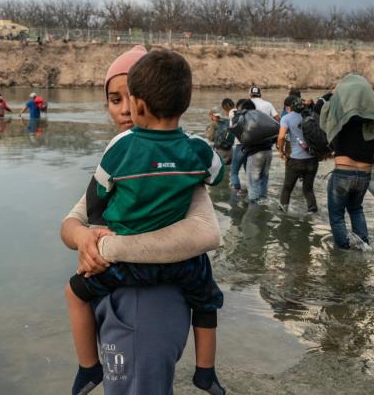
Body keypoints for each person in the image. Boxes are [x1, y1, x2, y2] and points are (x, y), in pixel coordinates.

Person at [63, 49, 226, 395]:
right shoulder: (192, 151)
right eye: (113, 98)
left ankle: (87, 368)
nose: (123, 109)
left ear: (140, 104)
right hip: (162, 282)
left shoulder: (120, 154)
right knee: (208, 300)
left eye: (128, 97)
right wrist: (82, 237)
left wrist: (105, 242)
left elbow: (206, 231)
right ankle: (206, 372)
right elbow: (72, 221)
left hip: (141, 303)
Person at [320, 74, 374, 249]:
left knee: (336, 216)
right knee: (356, 209)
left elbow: (322, 121)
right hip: (364, 176)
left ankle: (343, 252)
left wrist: (332, 96)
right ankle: (363, 247)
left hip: (343, 173)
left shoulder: (341, 120)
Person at [277, 96, 319, 213]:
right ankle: (312, 210)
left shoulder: (286, 118)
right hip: (312, 159)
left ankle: (282, 214)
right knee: (308, 189)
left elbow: (281, 137)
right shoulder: (311, 116)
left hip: (295, 160)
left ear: (290, 107)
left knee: (287, 188)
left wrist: (281, 151)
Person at [229, 99, 256, 194]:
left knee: (234, 171)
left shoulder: (237, 115)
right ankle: (251, 190)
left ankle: (235, 192)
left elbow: (232, 129)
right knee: (247, 170)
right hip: (250, 146)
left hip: (240, 146)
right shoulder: (254, 117)